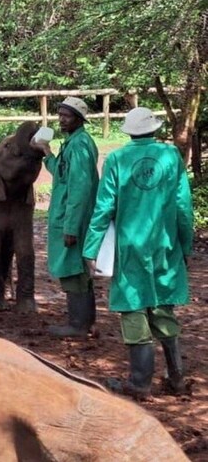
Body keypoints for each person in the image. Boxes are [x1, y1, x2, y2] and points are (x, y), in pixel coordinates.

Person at [83, 107, 193, 398]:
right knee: (162, 304)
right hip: (165, 245)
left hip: (131, 246)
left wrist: (90, 248)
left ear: (129, 131)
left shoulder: (118, 159)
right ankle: (176, 377)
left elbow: (104, 207)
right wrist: (186, 244)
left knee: (133, 307)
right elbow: (183, 206)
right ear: (154, 129)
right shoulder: (171, 156)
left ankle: (140, 382)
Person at [33, 97, 99, 338]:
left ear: (79, 120)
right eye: (60, 114)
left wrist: (71, 227)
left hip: (74, 219)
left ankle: (78, 324)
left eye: (67, 116)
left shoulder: (80, 146)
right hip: (70, 216)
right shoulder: (72, 143)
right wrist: (47, 153)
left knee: (74, 270)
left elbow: (80, 189)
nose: (61, 119)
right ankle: (88, 322)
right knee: (79, 269)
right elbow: (62, 175)